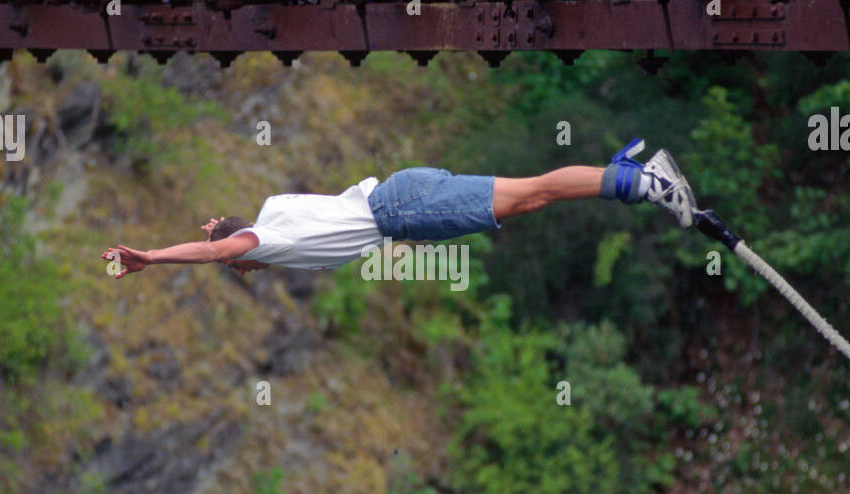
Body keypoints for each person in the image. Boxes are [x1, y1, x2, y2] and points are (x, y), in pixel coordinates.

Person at [102, 139, 696, 279]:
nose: (243, 269)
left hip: (402, 211)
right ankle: (628, 179)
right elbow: (226, 236)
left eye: (239, 264)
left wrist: (151, 256)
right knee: (528, 196)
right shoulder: (276, 213)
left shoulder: (265, 239)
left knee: (532, 194)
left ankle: (643, 182)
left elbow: (216, 247)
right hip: (401, 194)